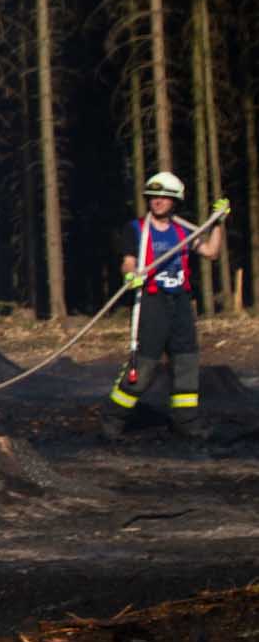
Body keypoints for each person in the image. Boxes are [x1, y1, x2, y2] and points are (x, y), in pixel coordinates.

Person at [109, 171, 228, 440]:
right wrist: (130, 274)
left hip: (181, 302)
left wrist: (218, 223)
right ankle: (114, 418)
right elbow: (128, 261)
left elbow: (211, 252)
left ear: (175, 201)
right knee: (145, 364)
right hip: (152, 302)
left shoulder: (184, 229)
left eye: (164, 197)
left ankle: (186, 421)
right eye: (153, 196)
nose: (158, 201)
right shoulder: (136, 229)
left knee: (186, 360)